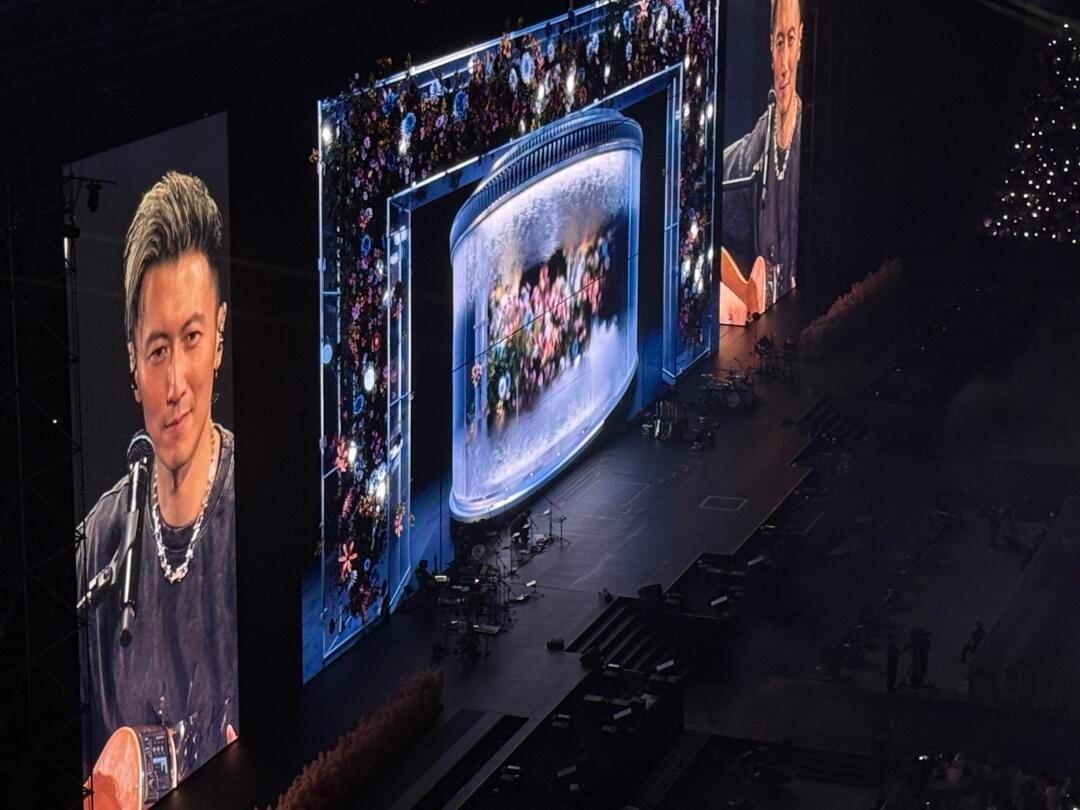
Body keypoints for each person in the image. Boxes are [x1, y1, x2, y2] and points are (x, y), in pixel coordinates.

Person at [77, 172, 237, 788]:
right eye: (158, 349)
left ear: (219, 336)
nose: (174, 388)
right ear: (132, 363)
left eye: (191, 339)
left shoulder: (251, 508)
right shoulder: (97, 544)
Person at [720, 0, 804, 325]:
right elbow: (697, 196)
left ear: (801, 44)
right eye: (779, 42)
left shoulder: (806, 136)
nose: (784, 65)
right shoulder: (757, 146)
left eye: (791, 40)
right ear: (770, 48)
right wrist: (740, 291)